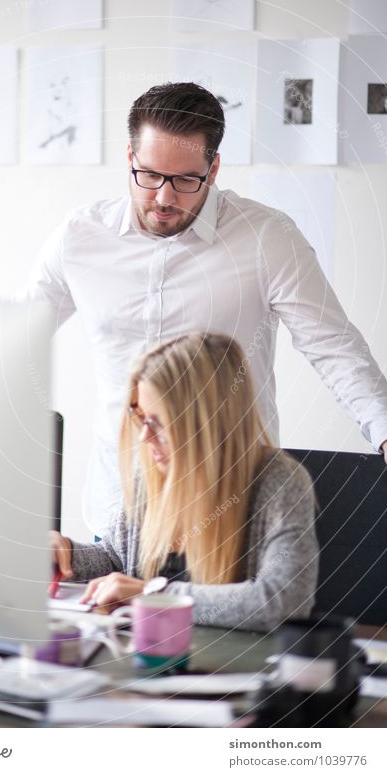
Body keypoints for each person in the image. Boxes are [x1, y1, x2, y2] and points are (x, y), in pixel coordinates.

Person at [26, 82, 387, 536]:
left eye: (184, 180)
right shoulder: (79, 236)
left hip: (232, 507)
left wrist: (384, 429)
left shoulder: (267, 237)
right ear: (130, 157)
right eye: (150, 174)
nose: (163, 197)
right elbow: (18, 336)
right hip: (119, 508)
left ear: (213, 168)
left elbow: (334, 346)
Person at [51, 334, 319, 631]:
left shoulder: (281, 482)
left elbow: (284, 602)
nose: (144, 437)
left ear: (203, 423)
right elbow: (116, 559)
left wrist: (155, 595)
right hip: (150, 658)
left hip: (230, 669)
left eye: (157, 422)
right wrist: (66, 554)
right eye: (140, 417)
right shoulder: (154, 472)